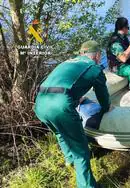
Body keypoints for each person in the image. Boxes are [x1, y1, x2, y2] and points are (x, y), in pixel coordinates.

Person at [34, 40, 110, 188]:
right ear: (97, 56)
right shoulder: (94, 67)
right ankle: (87, 185)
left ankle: (70, 160)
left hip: (40, 103)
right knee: (81, 149)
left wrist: (75, 96)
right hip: (60, 106)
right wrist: (106, 107)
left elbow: (60, 82)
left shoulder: (67, 62)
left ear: (81, 53)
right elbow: (102, 94)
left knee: (60, 133)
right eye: (100, 56)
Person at [107, 17, 130, 89]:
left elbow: (128, 51)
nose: (128, 29)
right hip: (117, 67)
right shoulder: (115, 42)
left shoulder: (123, 37)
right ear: (124, 28)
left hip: (126, 62)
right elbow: (123, 59)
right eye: (128, 27)